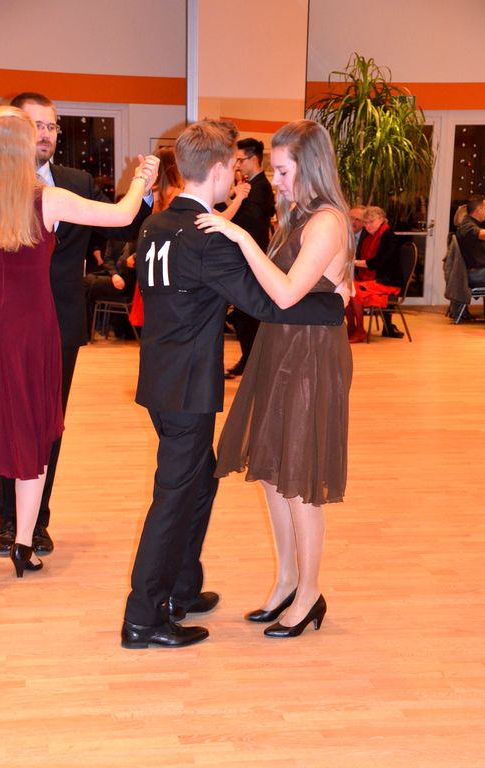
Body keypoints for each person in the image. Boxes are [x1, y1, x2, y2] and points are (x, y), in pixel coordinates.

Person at [121, 119, 347, 650]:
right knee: (175, 497)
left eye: (282, 170)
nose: (253, 177)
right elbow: (270, 302)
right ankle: (143, 616)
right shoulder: (208, 238)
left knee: (199, 483)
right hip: (187, 386)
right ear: (221, 169)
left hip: (160, 376)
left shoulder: (156, 224)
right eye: (238, 169)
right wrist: (333, 305)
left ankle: (182, 588)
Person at [196, 119, 354, 638]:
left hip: (309, 355)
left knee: (299, 477)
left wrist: (240, 235)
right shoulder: (298, 216)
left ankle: (309, 593)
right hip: (281, 347)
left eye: (284, 171)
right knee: (271, 469)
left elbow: (284, 293)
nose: (277, 180)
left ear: (310, 167)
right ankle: (288, 580)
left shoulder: (326, 221)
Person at [0, 105, 158, 576]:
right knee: (35, 433)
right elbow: (123, 214)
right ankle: (24, 544)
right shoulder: (49, 199)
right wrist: (142, 178)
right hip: (33, 330)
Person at [219, 138, 276, 378]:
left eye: (241, 160)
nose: (238, 165)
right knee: (243, 314)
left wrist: (231, 205)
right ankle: (250, 359)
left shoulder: (260, 186)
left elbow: (250, 223)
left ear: (254, 159)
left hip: (251, 257)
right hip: (246, 256)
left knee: (246, 314)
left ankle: (252, 360)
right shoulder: (250, 185)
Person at [129, 147, 183, 328]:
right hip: (172, 263)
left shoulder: (149, 194)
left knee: (151, 322)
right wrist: (238, 199)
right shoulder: (181, 195)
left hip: (149, 261)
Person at [345, 206, 404, 343]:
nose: (368, 225)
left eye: (371, 221)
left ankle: (360, 330)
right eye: (365, 222)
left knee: (354, 290)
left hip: (388, 282)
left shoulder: (389, 237)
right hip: (377, 278)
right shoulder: (370, 237)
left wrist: (354, 262)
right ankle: (352, 327)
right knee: (346, 287)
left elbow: (378, 262)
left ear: (382, 219)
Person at [457, 195, 485, 291]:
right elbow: (480, 234)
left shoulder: (471, 223)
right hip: (479, 273)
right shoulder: (466, 225)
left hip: (482, 271)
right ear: (479, 210)